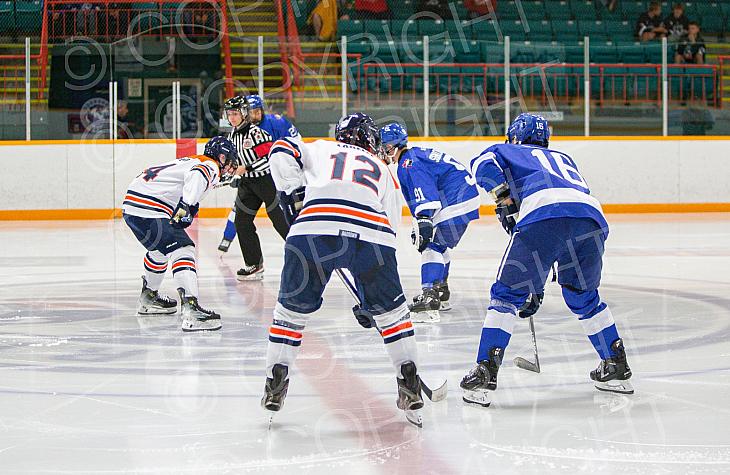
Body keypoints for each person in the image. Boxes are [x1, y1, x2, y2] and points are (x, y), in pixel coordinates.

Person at [262, 113, 425, 427]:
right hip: (372, 236)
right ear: (368, 140)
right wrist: (372, 298)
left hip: (313, 230)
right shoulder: (382, 169)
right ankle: (409, 380)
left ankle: (275, 380)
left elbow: (281, 149)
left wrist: (295, 195)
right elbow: (390, 228)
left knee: (290, 315)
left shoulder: (322, 148)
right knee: (393, 317)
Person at [460, 113, 633, 408]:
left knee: (506, 296)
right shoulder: (562, 157)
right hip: (590, 218)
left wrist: (504, 199)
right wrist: (535, 286)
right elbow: (563, 222)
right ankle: (616, 365)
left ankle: (486, 370)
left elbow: (481, 166)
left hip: (543, 216)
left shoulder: (506, 150)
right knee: (583, 296)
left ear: (514, 136)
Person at [122, 136, 238, 332]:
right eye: (229, 161)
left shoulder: (191, 160)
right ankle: (191, 309)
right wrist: (186, 206)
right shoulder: (208, 165)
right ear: (221, 157)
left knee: (159, 252)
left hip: (133, 208)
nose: (230, 168)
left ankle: (149, 297)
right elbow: (198, 175)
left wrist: (186, 207)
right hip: (150, 208)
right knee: (184, 249)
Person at [380, 123, 480, 323]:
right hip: (462, 198)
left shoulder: (408, 163)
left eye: (386, 146)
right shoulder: (415, 156)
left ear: (394, 146)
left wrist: (424, 219)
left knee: (430, 244)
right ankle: (441, 291)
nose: (383, 150)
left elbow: (425, 193)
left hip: (455, 201)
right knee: (439, 244)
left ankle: (429, 297)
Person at [217, 94, 299, 254]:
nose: (254, 115)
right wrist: (234, 172)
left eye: (256, 111)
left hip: (272, 178)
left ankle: (300, 250)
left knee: (280, 217)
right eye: (230, 114)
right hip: (249, 181)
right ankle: (233, 244)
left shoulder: (272, 125)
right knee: (241, 217)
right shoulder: (233, 134)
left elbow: (293, 144)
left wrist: (247, 168)